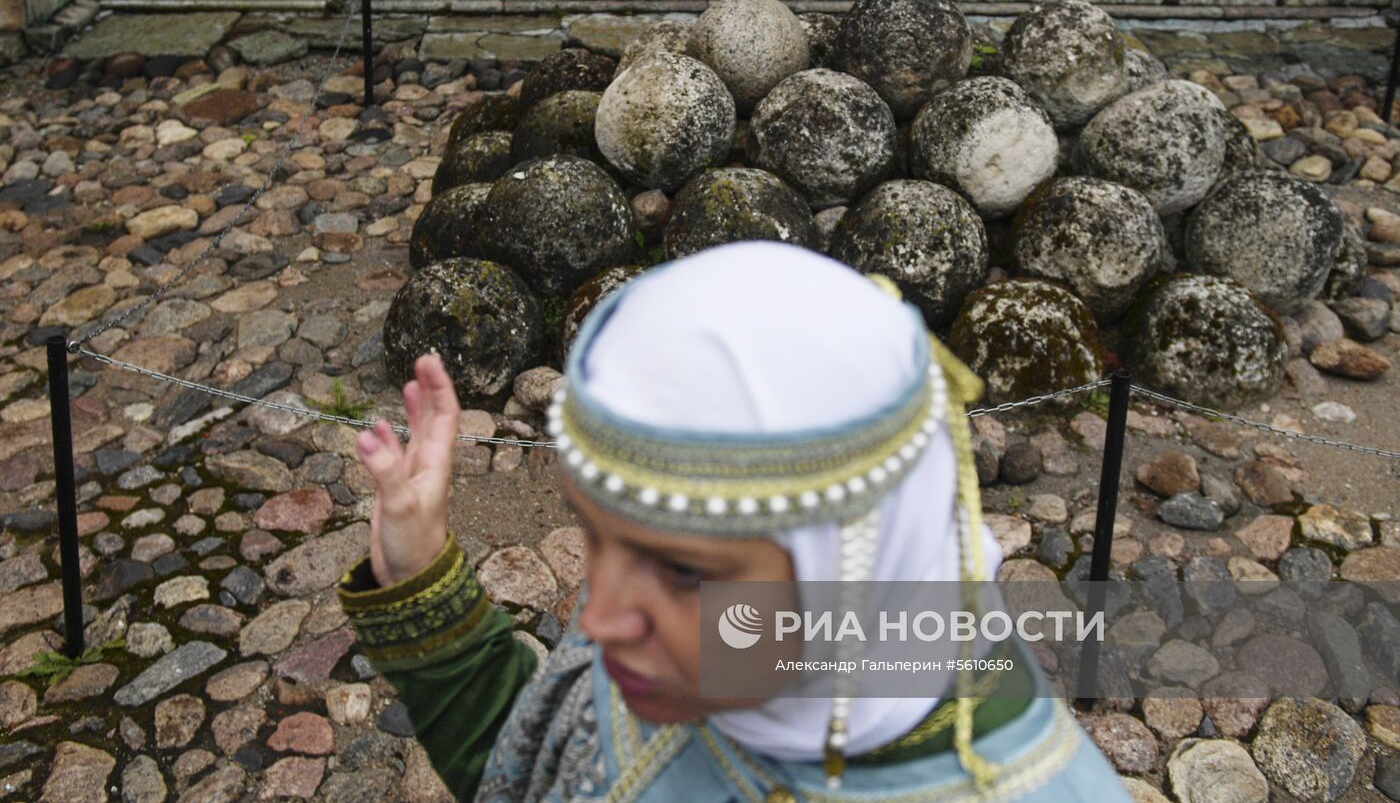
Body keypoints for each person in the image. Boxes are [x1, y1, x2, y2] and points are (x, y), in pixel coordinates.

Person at [339, 241, 1132, 802]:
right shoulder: (691, 646)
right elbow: (538, 771)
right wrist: (421, 580)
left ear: (853, 563)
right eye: (588, 528)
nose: (601, 615)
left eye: (683, 570)